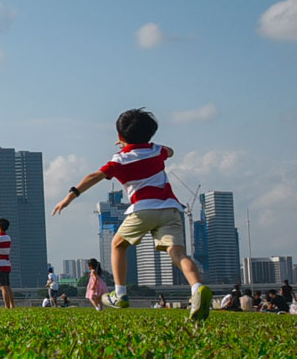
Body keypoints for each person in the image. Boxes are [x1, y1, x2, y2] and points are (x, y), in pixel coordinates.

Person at [51, 108, 213, 321]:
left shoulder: (120, 159)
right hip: (171, 209)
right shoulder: (157, 151)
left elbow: (95, 176)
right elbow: (170, 151)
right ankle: (197, 288)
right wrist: (150, 144)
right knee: (179, 253)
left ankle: (120, 294)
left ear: (120, 137)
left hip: (144, 209)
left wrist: (70, 196)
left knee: (118, 244)